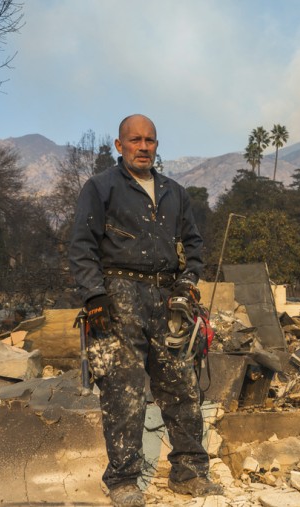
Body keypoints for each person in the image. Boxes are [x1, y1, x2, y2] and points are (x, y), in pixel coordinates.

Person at [69, 114, 223, 507]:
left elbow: (194, 245)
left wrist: (187, 284)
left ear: (157, 145)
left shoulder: (175, 192)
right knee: (124, 391)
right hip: (119, 294)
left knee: (182, 387)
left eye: (150, 140)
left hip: (168, 296)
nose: (143, 146)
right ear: (118, 145)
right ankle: (123, 481)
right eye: (134, 140)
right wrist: (93, 296)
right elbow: (82, 245)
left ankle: (188, 473)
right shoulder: (100, 187)